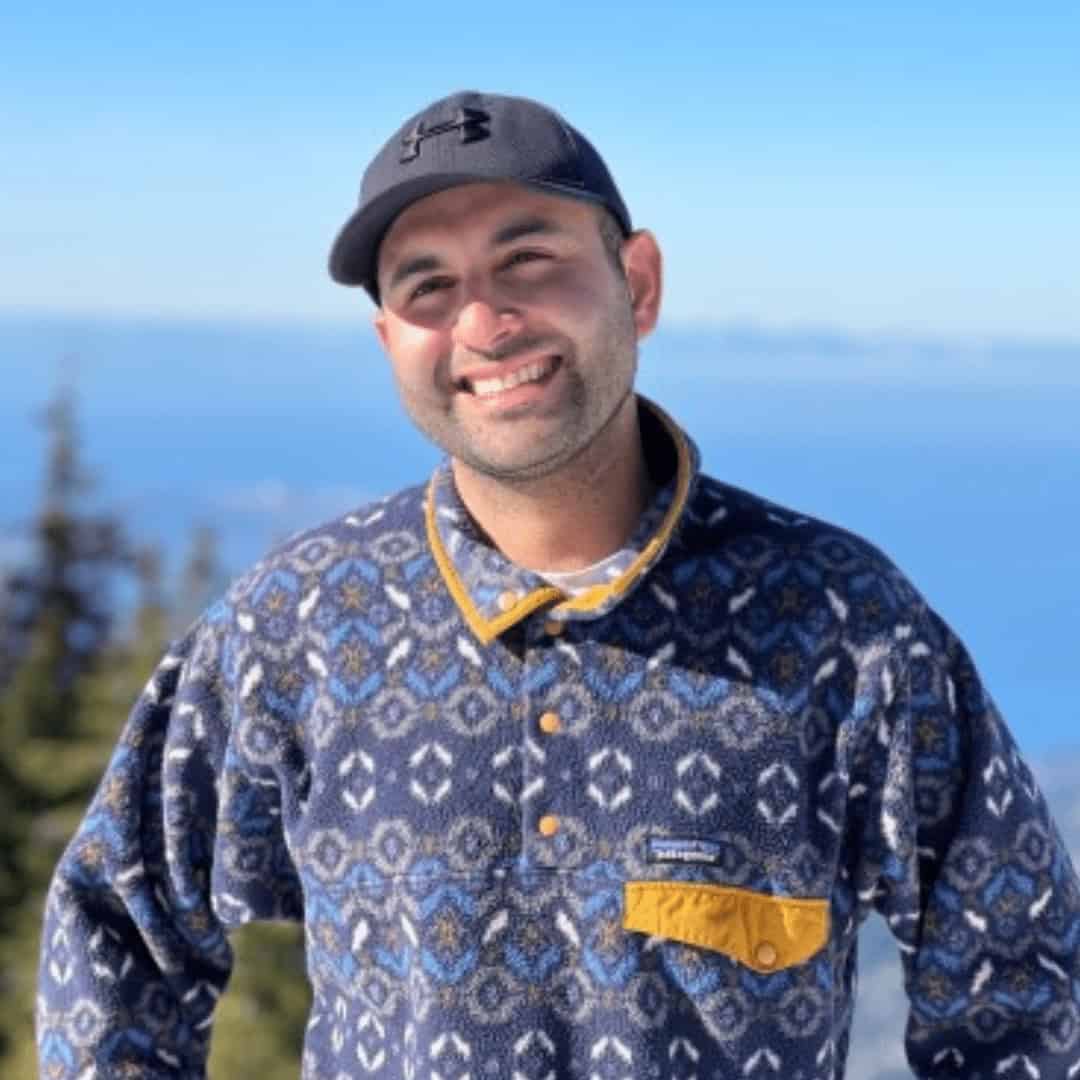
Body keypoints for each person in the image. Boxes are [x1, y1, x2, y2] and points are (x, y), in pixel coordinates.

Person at [37, 90, 1080, 1079]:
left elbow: (1023, 981)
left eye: (528, 259)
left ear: (639, 283)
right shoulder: (299, 625)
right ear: (389, 340)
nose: (485, 320)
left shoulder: (843, 624)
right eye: (428, 287)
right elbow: (117, 921)